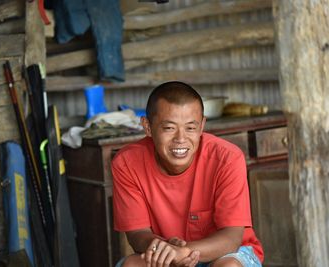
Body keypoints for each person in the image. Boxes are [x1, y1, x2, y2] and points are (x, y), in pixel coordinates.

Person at [111, 81, 264, 267]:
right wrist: (165, 249)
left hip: (226, 253)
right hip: (165, 251)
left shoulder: (227, 159)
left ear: (201, 126)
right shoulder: (127, 163)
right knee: (132, 265)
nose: (181, 139)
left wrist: (185, 251)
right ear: (148, 127)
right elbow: (136, 235)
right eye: (169, 128)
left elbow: (231, 238)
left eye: (190, 128)